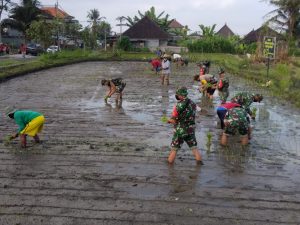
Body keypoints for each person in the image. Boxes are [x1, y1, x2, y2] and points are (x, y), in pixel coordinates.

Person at [166, 87, 203, 165]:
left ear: (179, 95)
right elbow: (199, 110)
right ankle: (199, 164)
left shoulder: (178, 105)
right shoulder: (193, 103)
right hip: (190, 129)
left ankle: (169, 165)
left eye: (177, 95)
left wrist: (169, 120)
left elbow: (174, 120)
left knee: (174, 149)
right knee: (194, 147)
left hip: (180, 130)